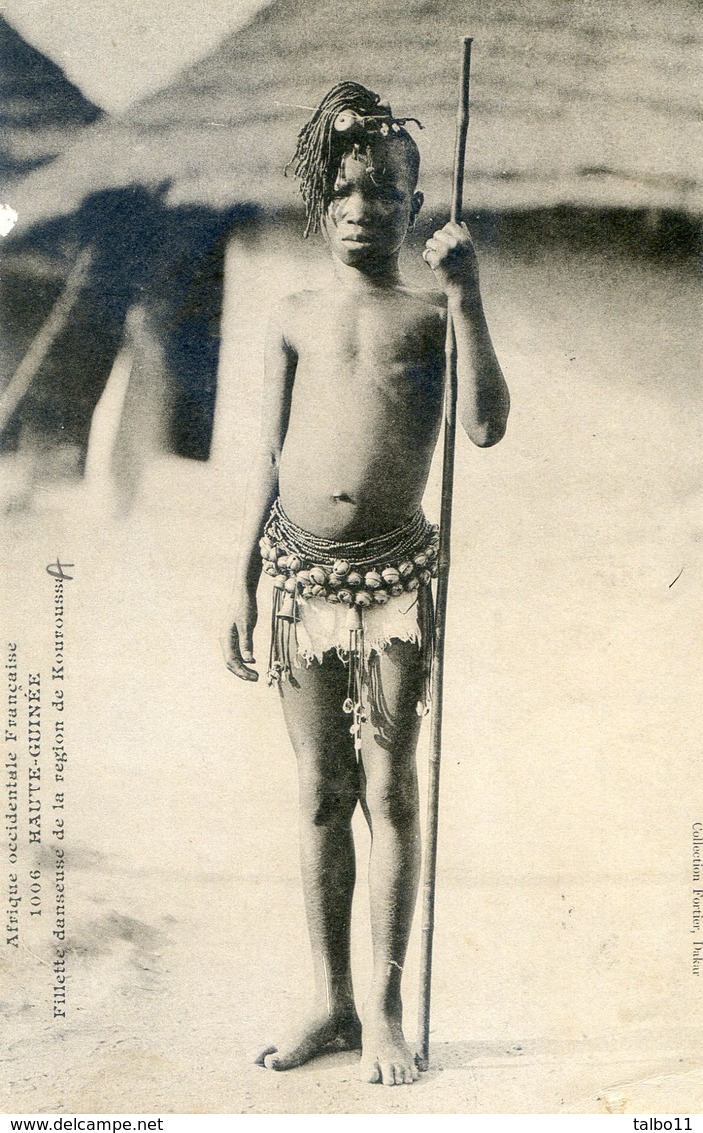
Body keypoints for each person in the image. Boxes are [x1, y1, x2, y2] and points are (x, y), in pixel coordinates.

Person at [224, 81, 509, 1087]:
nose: (362, 208)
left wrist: (469, 295)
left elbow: (482, 425)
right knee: (317, 793)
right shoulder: (294, 314)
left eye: (384, 191)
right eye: (344, 191)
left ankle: (384, 1006)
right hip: (299, 576)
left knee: (388, 784)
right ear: (320, 201)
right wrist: (241, 576)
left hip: (393, 580)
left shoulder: (429, 316)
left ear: (415, 200)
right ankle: (329, 1000)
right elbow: (267, 454)